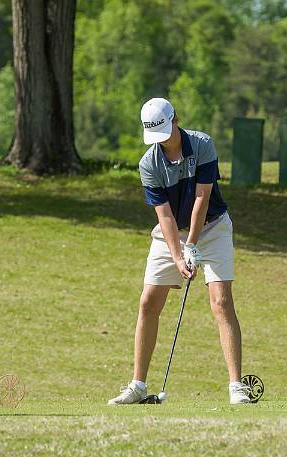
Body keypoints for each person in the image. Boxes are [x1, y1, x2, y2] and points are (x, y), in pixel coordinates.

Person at [108, 98, 251, 405]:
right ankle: (138, 385)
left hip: (212, 228)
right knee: (148, 302)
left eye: (165, 132)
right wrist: (178, 255)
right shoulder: (149, 164)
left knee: (221, 301)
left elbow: (202, 198)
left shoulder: (202, 145)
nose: (161, 142)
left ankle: (236, 387)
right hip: (170, 235)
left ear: (176, 120)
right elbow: (165, 217)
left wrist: (193, 246)